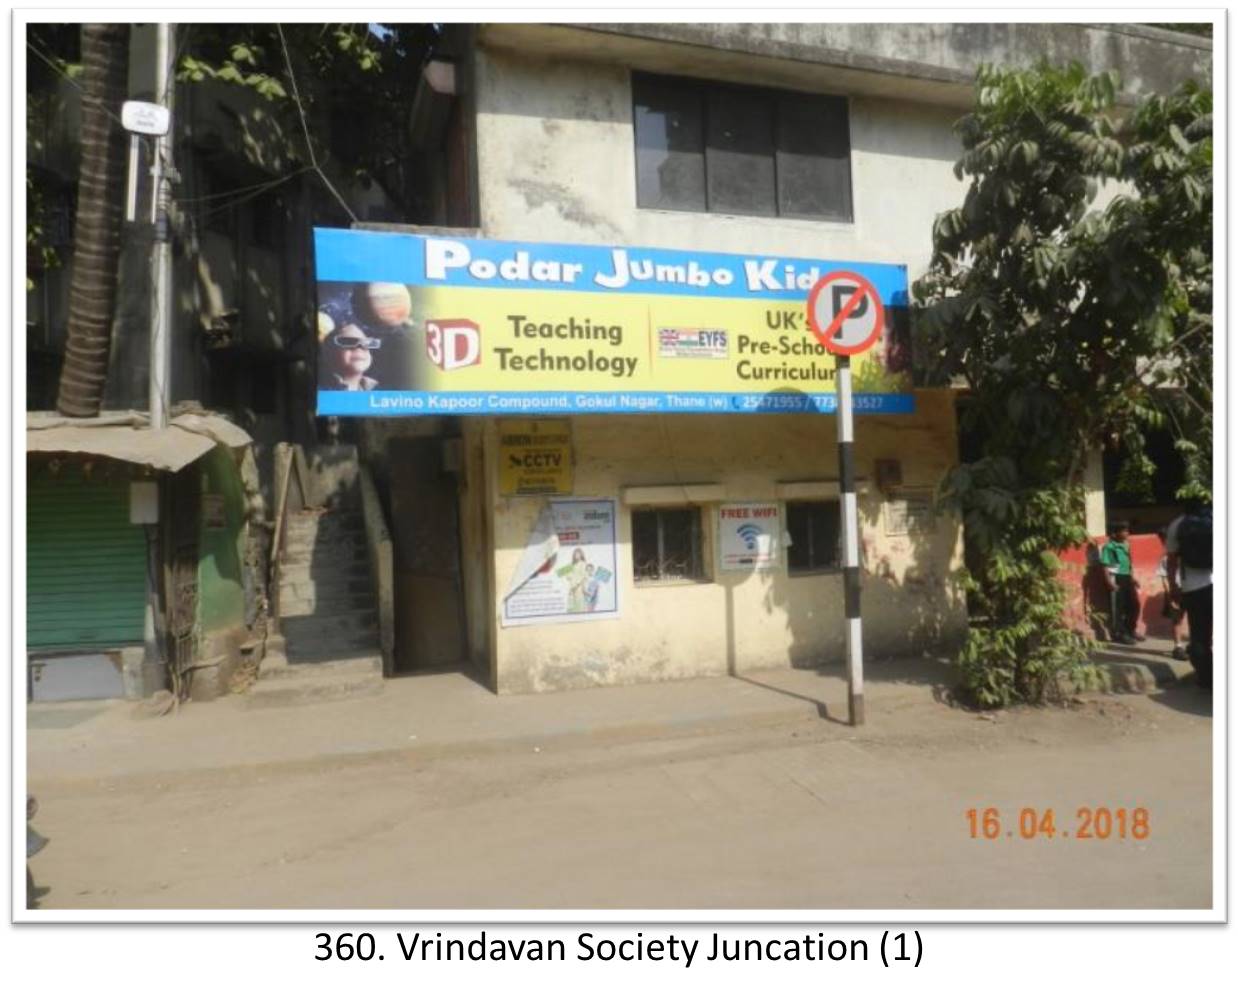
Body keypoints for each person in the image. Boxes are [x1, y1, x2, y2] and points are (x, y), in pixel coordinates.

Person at [1166, 502, 1213, 689]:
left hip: (1193, 588)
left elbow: (1171, 561)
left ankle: (1206, 680)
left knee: (1200, 636)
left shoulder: (1177, 525)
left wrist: (1173, 587)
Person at [1099, 521, 1139, 645]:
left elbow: (1129, 563)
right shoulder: (1109, 547)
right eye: (1124, 531)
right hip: (1116, 578)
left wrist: (1133, 577)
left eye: (1127, 530)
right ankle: (1120, 633)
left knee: (1134, 605)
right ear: (1115, 533)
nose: (1127, 533)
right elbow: (1105, 565)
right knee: (1118, 608)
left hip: (1127, 577)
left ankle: (1130, 630)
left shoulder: (1126, 545)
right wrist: (1109, 582)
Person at [1155, 527, 1189, 660]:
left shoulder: (1188, 554)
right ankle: (1178, 646)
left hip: (1190, 589)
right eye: (1164, 540)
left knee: (1196, 618)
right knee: (1177, 619)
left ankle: (1195, 645)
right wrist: (1170, 596)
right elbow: (1164, 578)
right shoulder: (1165, 558)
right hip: (1176, 591)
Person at [320, 326, 381, 391]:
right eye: (348, 342)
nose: (359, 348)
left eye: (366, 343)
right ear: (330, 352)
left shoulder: (380, 391)